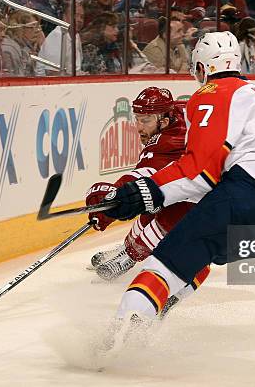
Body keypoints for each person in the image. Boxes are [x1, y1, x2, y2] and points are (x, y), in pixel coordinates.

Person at [98, 31, 255, 333]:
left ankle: (117, 336)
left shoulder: (212, 92)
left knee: (161, 265)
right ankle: (161, 304)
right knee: (197, 251)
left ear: (202, 67)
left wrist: (141, 193)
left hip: (250, 193)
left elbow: (200, 170)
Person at [85, 87, 210, 314]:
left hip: (210, 191)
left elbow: (140, 176)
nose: (139, 127)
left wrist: (110, 199)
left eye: (146, 120)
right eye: (138, 119)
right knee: (152, 206)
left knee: (178, 231)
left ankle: (133, 256)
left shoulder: (165, 143)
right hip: (192, 183)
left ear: (163, 120)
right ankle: (127, 251)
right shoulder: (180, 112)